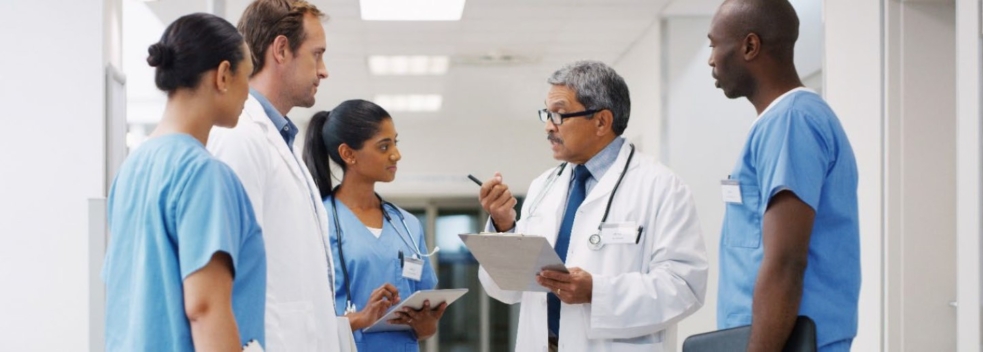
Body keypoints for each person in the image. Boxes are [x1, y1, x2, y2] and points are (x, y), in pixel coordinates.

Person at [476, 60, 708, 351]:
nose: (549, 126)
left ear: (601, 121)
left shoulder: (661, 187)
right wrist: (503, 225)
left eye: (559, 115)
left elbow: (685, 287)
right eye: (546, 114)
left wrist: (598, 293)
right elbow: (506, 290)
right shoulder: (543, 186)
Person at [104, 13, 265, 351]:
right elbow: (205, 309)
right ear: (223, 75)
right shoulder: (204, 174)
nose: (248, 93)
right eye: (247, 77)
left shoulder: (131, 170)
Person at [707, 0, 861, 351]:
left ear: (749, 46)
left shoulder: (792, 122)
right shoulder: (782, 121)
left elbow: (786, 261)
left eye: (715, 44)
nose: (711, 59)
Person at [205, 0, 342, 350]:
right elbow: (223, 274)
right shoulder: (240, 137)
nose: (323, 70)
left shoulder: (280, 139)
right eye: (317, 54)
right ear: (281, 50)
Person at [303, 101, 447, 351]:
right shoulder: (317, 222)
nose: (396, 154)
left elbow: (426, 328)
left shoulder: (407, 225)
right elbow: (303, 318)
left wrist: (426, 324)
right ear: (348, 154)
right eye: (384, 146)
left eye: (395, 143)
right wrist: (362, 317)